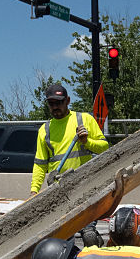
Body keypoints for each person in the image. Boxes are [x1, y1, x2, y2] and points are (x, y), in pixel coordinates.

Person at [30, 84, 109, 246]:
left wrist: (87, 142)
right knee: (60, 242)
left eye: (59, 103)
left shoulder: (84, 120)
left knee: (89, 235)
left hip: (84, 187)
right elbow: (39, 165)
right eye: (51, 104)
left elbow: (104, 148)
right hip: (59, 193)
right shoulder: (44, 130)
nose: (55, 107)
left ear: (67, 101)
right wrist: (34, 191)